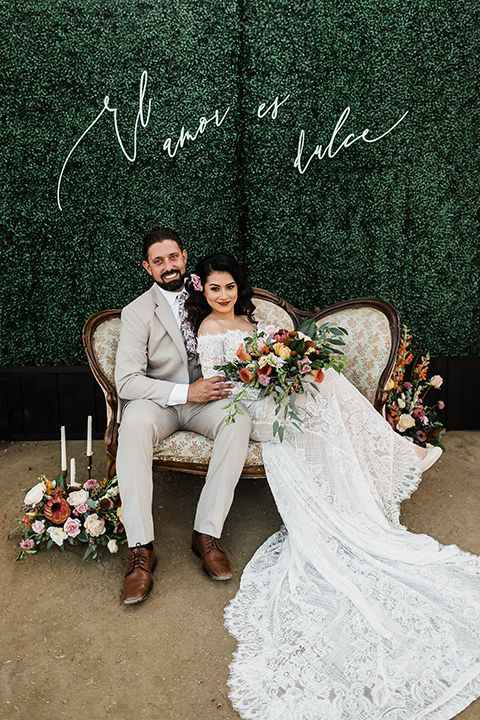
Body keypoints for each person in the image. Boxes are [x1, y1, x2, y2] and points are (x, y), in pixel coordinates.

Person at [186, 252, 480, 720]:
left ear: (239, 288)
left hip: (272, 396)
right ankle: (400, 453)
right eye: (215, 289)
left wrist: (289, 366)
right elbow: (225, 387)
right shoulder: (208, 332)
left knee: (323, 381)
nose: (224, 296)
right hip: (250, 410)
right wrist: (269, 380)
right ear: (204, 291)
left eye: (230, 287)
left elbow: (272, 361)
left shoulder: (248, 318)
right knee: (321, 390)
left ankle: (387, 461)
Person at [114, 229, 251, 605]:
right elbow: (126, 381)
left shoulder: (207, 293)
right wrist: (185, 392)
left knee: (237, 418)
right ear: (147, 267)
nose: (168, 266)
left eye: (173, 257)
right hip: (159, 402)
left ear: (184, 257)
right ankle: (141, 550)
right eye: (158, 261)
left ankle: (206, 533)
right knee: (135, 423)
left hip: (207, 400)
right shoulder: (137, 312)